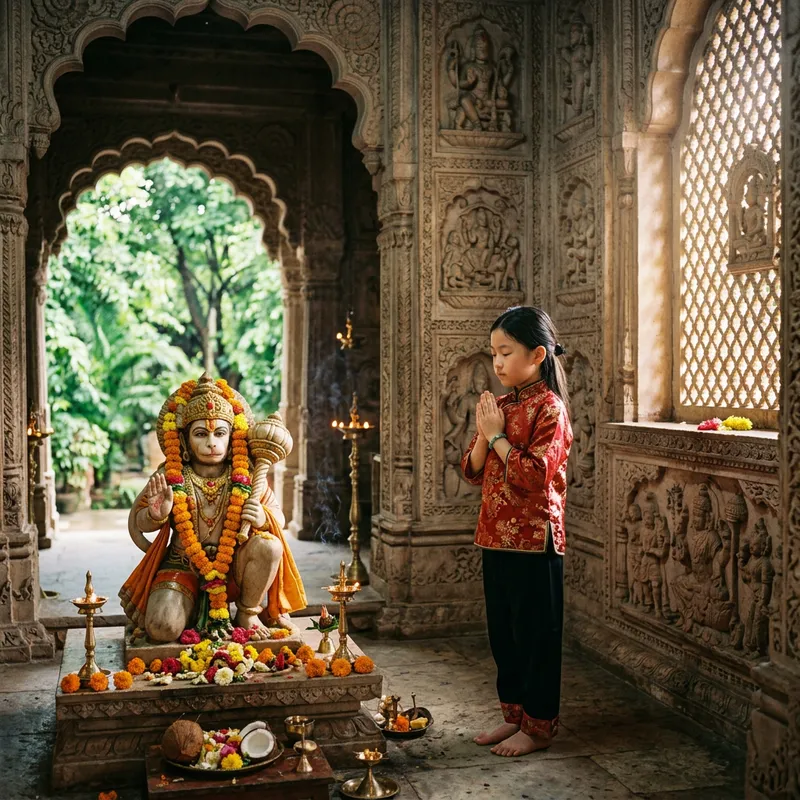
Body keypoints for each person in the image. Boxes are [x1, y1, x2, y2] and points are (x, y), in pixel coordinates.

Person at [461, 306, 573, 757]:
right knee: (504, 633)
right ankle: (515, 718)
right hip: (494, 535)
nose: (498, 363)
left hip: (534, 540)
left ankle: (540, 726)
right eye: (494, 353)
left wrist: (498, 437)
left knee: (535, 636)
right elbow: (470, 471)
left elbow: (534, 475)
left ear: (538, 354)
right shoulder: (502, 406)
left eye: (506, 352)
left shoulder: (551, 409)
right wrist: (488, 434)